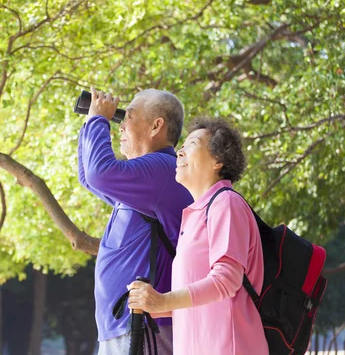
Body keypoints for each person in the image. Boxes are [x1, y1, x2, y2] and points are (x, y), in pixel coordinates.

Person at [127, 117, 268, 355]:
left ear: (218, 160)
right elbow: (198, 301)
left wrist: (163, 301)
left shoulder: (226, 202)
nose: (179, 152)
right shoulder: (195, 215)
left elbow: (226, 281)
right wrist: (152, 303)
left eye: (191, 144)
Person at [78, 88, 193, 354]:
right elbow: (88, 177)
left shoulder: (163, 169)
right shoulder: (146, 182)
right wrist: (91, 120)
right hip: (126, 325)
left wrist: (99, 121)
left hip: (145, 325)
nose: (121, 126)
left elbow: (99, 174)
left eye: (127, 117)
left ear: (156, 126)